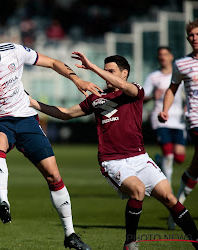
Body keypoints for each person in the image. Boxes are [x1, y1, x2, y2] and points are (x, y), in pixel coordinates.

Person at [0, 22, 101, 250]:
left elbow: (52, 62)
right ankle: (3, 201)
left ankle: (70, 235)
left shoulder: (15, 52)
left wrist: (76, 79)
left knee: (53, 175)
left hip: (26, 118)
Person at [29, 52, 198, 250]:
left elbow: (126, 87)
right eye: (105, 71)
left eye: (111, 71)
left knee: (170, 199)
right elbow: (65, 114)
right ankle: (130, 243)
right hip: (113, 161)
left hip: (140, 157)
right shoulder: (96, 98)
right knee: (138, 190)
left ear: (124, 73)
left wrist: (92, 67)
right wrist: (32, 102)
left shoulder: (134, 90)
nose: (105, 75)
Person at [159, 19, 198, 223]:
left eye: (197, 34)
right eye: (191, 35)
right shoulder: (181, 64)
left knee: (195, 167)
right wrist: (165, 109)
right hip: (195, 119)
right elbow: (172, 89)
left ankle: (177, 206)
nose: (194, 38)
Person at [143, 47, 186, 185]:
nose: (163, 57)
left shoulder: (179, 75)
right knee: (168, 153)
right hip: (160, 118)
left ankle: (159, 161)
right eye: (160, 55)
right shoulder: (153, 77)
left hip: (178, 119)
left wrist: (187, 106)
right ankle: (168, 187)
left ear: (171, 57)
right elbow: (142, 97)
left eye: (165, 54)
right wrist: (151, 97)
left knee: (179, 158)